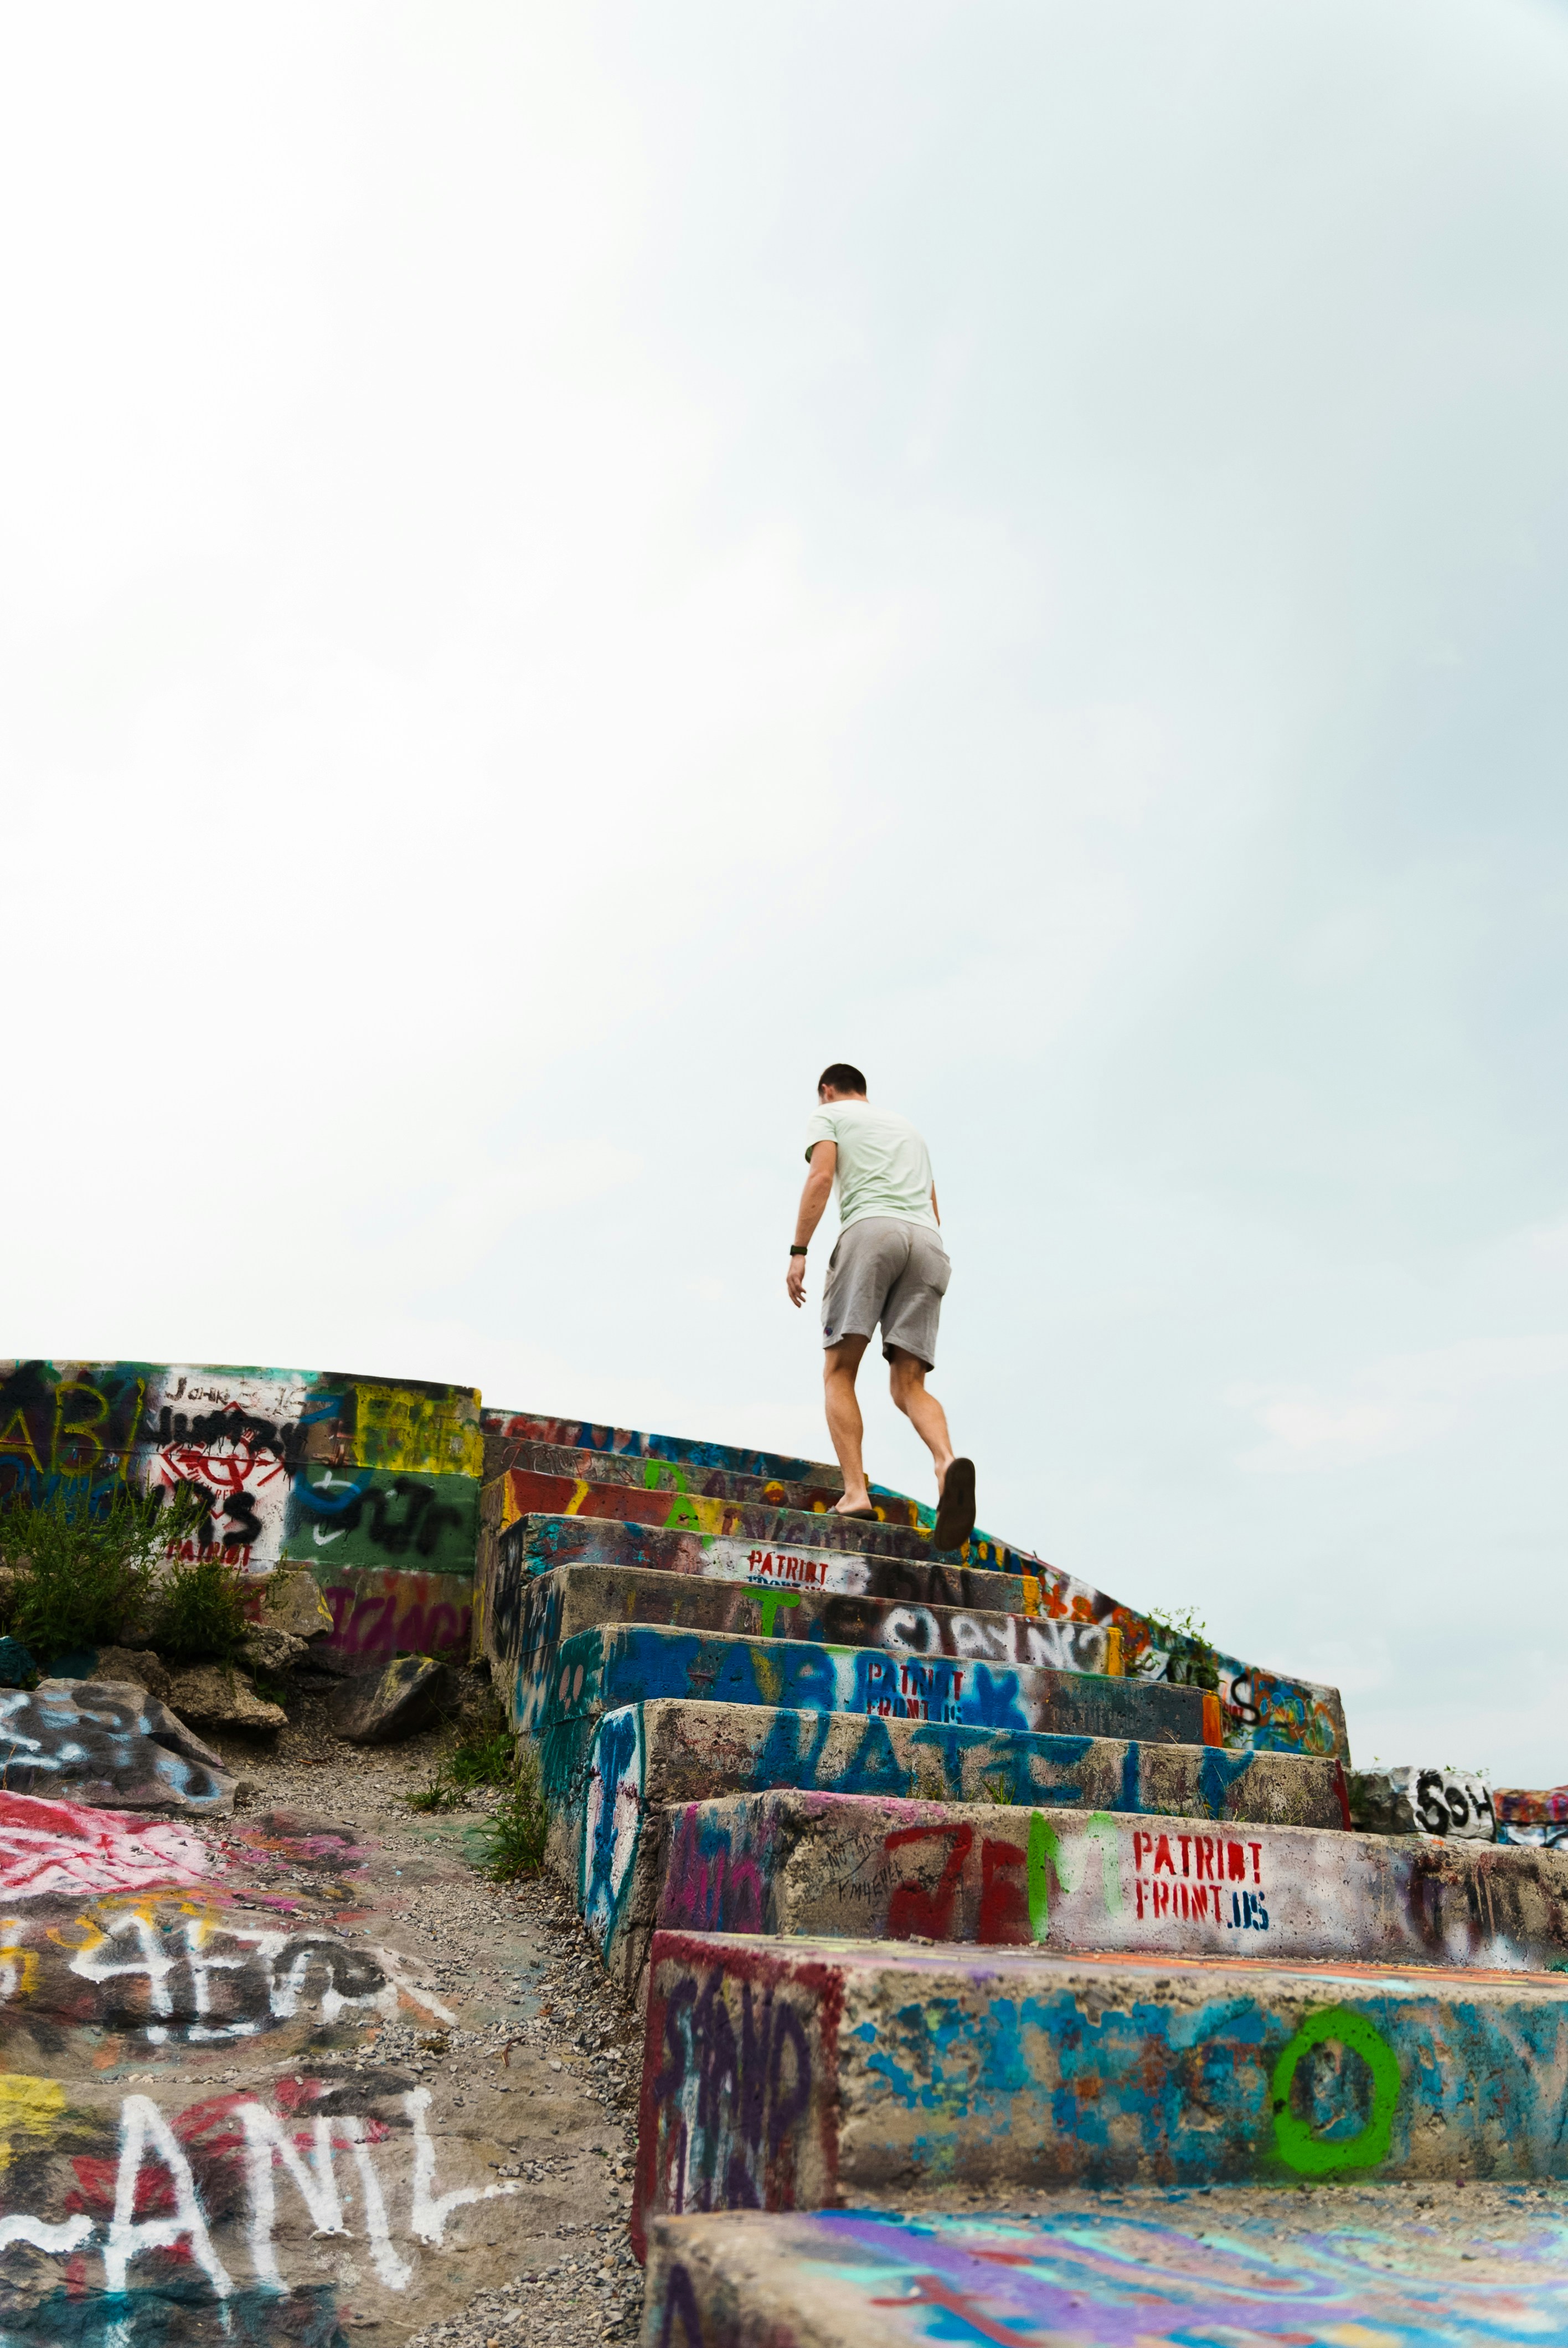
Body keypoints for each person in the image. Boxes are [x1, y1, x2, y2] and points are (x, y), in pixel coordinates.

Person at [786, 1062, 976, 1552]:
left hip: (871, 1231)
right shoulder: (909, 1129)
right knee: (909, 1383)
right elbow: (933, 1207)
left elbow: (821, 1176)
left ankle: (855, 1493)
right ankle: (946, 1462)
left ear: (827, 1090)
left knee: (840, 1370)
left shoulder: (828, 1115)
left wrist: (799, 1251)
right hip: (927, 1243)